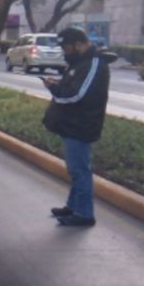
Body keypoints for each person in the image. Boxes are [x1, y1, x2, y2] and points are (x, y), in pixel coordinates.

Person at [42, 27, 112, 227]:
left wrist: (55, 88)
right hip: (70, 124)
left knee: (80, 170)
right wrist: (57, 85)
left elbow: (77, 95)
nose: (66, 52)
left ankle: (84, 213)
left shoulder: (94, 64)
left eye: (68, 47)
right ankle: (73, 206)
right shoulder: (80, 62)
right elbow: (71, 89)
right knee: (75, 169)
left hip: (80, 125)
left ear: (80, 44)